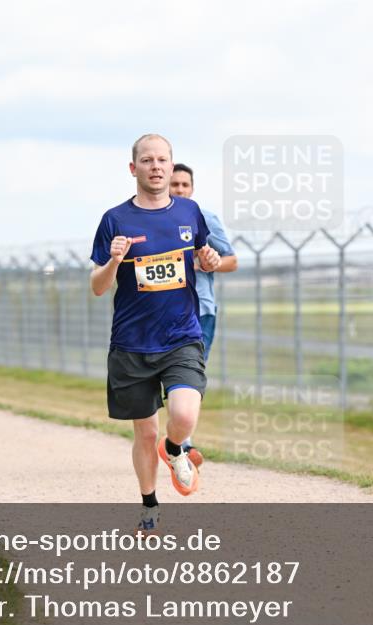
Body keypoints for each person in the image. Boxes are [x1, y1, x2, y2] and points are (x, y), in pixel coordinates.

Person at [90, 134, 221, 534]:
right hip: (132, 342)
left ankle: (175, 447)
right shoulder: (115, 219)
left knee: (183, 414)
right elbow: (97, 286)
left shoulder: (189, 212)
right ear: (134, 169)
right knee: (145, 430)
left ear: (171, 164)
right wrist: (114, 261)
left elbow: (203, 255)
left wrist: (208, 259)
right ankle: (149, 504)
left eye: (162, 159)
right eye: (147, 160)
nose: (156, 166)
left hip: (181, 335)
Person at [169, 163, 238, 466]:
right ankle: (171, 439)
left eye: (184, 185)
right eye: (175, 185)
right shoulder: (154, 223)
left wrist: (207, 264)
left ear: (192, 188)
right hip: (164, 309)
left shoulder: (206, 220)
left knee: (191, 375)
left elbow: (232, 260)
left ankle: (183, 443)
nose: (180, 190)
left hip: (202, 309)